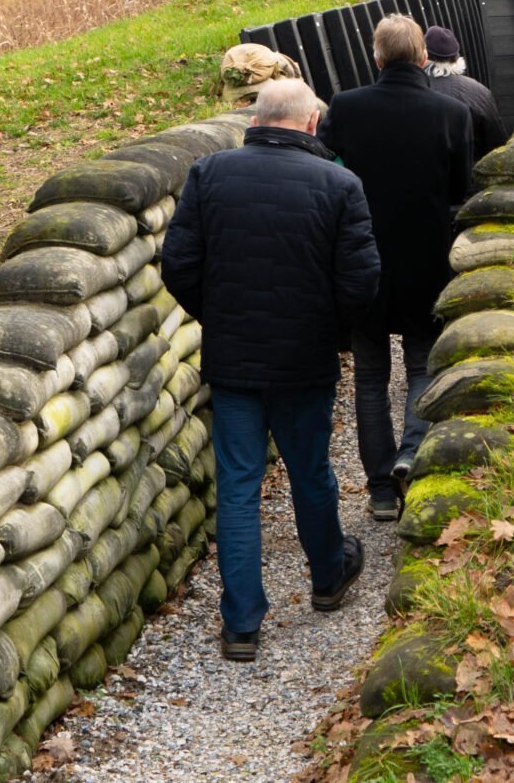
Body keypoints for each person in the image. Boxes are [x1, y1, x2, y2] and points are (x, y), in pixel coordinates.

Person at [162, 77, 375, 662]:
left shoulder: (209, 175)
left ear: (254, 120)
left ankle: (242, 624)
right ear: (311, 124)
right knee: (310, 472)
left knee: (237, 486)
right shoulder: (340, 183)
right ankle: (328, 578)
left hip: (234, 359)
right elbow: (360, 282)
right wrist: (330, 333)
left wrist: (219, 316)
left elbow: (178, 263)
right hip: (304, 359)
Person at [320, 14, 476, 520]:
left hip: (361, 260)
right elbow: (460, 193)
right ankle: (411, 453)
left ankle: (380, 492)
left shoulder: (345, 108)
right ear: (424, 57)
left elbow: (326, 173)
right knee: (420, 367)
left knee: (368, 377)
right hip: (425, 259)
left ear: (377, 56)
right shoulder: (451, 113)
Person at [421, 24, 504, 159]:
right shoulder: (480, 91)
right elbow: (496, 142)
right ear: (456, 58)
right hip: (470, 172)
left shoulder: (414, 90)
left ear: (424, 56)